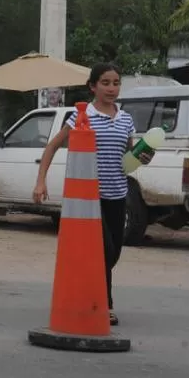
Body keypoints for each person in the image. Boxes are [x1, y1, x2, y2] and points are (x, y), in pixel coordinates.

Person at [32, 63, 152, 326]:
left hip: (118, 195)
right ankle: (103, 305)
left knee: (114, 253)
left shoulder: (126, 119)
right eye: (106, 83)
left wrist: (143, 157)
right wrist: (40, 182)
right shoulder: (80, 116)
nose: (112, 88)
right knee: (104, 251)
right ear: (93, 87)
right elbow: (52, 147)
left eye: (116, 83)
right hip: (88, 199)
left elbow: (128, 159)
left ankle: (92, 296)